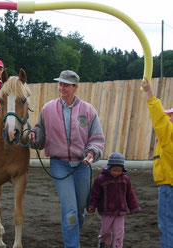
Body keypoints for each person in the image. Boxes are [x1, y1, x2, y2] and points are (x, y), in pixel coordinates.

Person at [28, 70, 105, 247]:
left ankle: (73, 233)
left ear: (75, 87)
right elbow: (40, 131)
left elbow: (97, 138)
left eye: (66, 85)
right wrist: (33, 136)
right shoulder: (48, 109)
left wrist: (92, 152)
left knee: (79, 211)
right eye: (60, 84)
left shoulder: (88, 110)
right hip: (59, 164)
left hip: (82, 165)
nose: (62, 87)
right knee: (69, 210)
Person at [141, 78, 173, 248]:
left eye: (170, 115)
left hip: (169, 186)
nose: (167, 117)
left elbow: (158, 118)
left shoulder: (169, 133)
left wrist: (149, 93)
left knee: (167, 225)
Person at [88, 152, 141, 248]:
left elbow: (130, 194)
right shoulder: (101, 179)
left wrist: (134, 207)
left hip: (121, 210)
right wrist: (92, 205)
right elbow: (95, 194)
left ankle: (118, 245)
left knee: (119, 232)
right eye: (114, 170)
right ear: (109, 168)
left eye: (120, 170)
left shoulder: (125, 179)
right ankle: (103, 243)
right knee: (106, 231)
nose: (117, 173)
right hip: (106, 211)